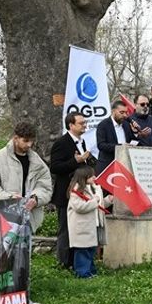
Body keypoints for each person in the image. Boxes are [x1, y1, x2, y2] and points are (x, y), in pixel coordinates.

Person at [0, 121, 54, 236]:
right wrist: (10, 198)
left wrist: (35, 199)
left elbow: (45, 187)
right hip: (4, 219)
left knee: (26, 248)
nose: (29, 144)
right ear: (15, 138)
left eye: (31, 141)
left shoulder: (38, 162)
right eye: (25, 141)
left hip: (29, 219)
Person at [50, 112, 94, 268]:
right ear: (71, 125)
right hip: (65, 193)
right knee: (65, 229)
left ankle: (76, 262)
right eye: (81, 123)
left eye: (85, 122)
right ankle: (64, 262)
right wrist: (75, 161)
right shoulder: (61, 143)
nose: (84, 125)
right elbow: (55, 167)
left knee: (77, 228)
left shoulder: (82, 142)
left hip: (80, 192)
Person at [67, 166, 111, 278]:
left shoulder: (92, 188)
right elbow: (80, 207)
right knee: (83, 251)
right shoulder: (76, 190)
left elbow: (98, 205)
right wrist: (95, 201)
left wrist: (108, 200)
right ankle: (82, 273)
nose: (94, 177)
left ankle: (91, 271)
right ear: (84, 177)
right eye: (91, 176)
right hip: (81, 227)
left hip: (90, 226)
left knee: (90, 250)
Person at [95, 100, 133, 174]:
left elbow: (130, 140)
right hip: (108, 165)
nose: (125, 115)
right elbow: (101, 145)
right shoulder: (103, 125)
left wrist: (136, 133)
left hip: (124, 164)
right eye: (122, 112)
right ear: (113, 111)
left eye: (126, 113)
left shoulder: (126, 124)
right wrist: (120, 147)